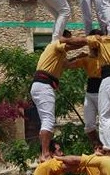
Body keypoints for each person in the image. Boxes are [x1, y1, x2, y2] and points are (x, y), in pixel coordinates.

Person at [65, 26, 110, 152]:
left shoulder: (104, 49)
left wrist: (62, 39)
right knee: (90, 124)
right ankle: (99, 145)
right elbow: (68, 65)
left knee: (107, 120)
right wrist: (74, 55)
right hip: (92, 92)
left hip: (104, 88)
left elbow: (81, 41)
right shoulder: (88, 58)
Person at [30, 32, 77, 160]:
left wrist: (82, 57)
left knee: (47, 120)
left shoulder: (58, 55)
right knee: (48, 121)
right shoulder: (55, 45)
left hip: (41, 86)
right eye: (69, 39)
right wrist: (89, 40)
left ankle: (45, 152)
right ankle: (45, 154)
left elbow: (67, 64)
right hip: (44, 85)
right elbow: (71, 45)